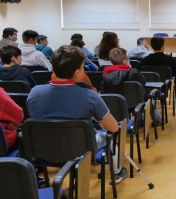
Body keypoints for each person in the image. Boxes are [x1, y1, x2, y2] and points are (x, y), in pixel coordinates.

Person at [26, 45, 126, 183]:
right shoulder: (90, 96)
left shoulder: (34, 92)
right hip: (81, 152)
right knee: (107, 135)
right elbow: (114, 128)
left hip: (42, 151)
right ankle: (117, 172)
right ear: (77, 72)